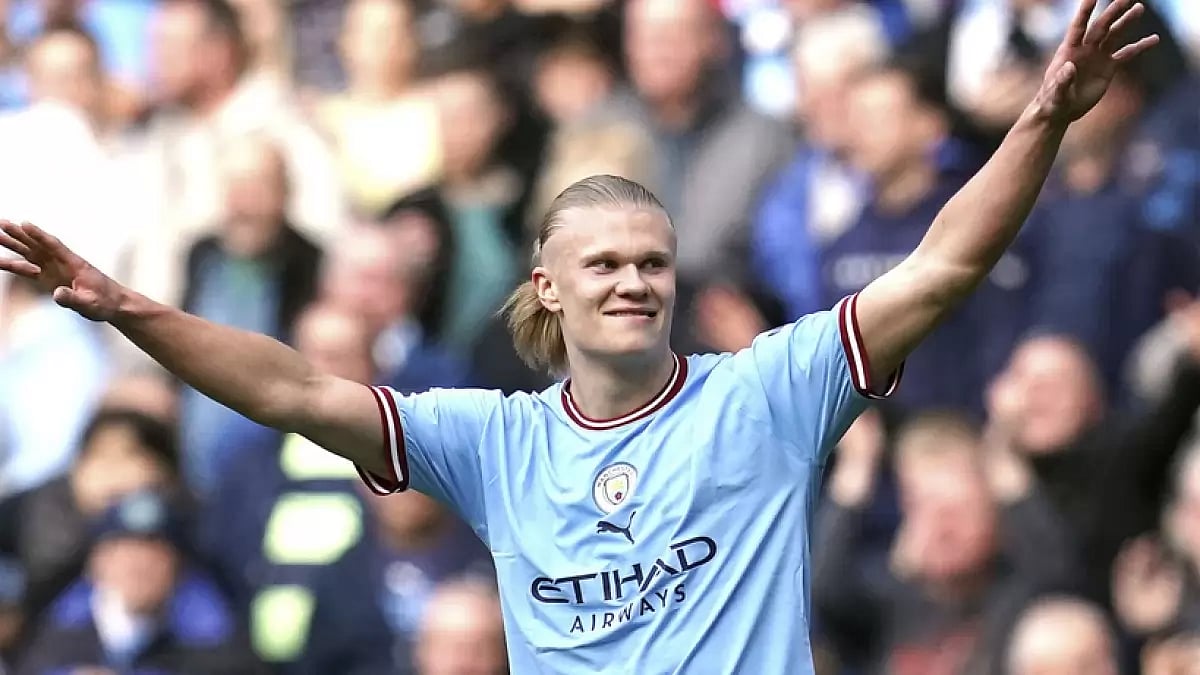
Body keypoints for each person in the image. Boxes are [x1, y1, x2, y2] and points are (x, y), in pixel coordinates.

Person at [0, 1, 1160, 671]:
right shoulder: (493, 441)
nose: (636, 282)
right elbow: (295, 392)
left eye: (653, 262)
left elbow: (945, 265)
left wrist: (1043, 118)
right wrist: (128, 308)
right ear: (545, 285)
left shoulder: (767, 392)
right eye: (605, 264)